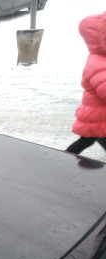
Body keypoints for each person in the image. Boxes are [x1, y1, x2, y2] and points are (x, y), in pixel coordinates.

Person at [66, 11, 106, 155]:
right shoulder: (98, 63)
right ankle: (62, 160)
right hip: (100, 116)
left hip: (98, 115)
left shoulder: (101, 59)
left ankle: (63, 159)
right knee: (88, 140)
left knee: (86, 141)